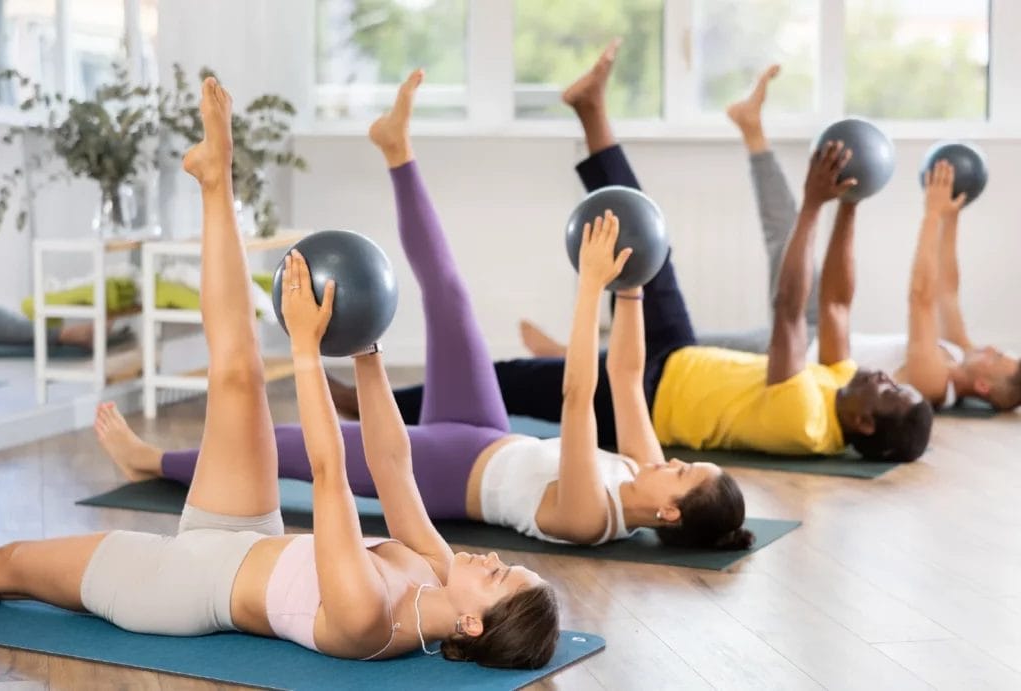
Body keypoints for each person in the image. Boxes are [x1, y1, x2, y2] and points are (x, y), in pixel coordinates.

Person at [0, 76, 559, 669]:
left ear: (471, 624)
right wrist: (367, 352)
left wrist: (305, 351)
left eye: (500, 577)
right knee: (238, 373)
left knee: (10, 564)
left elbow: (328, 475)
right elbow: (394, 466)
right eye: (506, 564)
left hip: (180, 585)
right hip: (248, 532)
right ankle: (216, 177)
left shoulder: (368, 619)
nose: (491, 562)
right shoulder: (434, 568)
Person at [95, 71, 753, 552]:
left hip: (445, 472)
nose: (673, 461)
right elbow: (626, 379)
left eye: (685, 473)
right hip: (488, 431)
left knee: (285, 447)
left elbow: (580, 396)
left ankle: (150, 461)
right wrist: (633, 285)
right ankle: (396, 150)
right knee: (451, 296)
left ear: (667, 513)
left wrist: (590, 286)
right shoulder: (642, 470)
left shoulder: (590, 517)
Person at [363, 42, 933, 462]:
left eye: (888, 391)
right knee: (649, 236)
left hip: (642, 395)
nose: (883, 375)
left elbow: (790, 309)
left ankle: (367, 406)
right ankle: (592, 111)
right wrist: (851, 207)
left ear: (861, 423)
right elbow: (834, 306)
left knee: (511, 380)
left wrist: (813, 205)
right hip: (676, 352)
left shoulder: (806, 421)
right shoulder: (841, 384)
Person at [524, 63, 1021, 412]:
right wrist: (951, 216)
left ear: (983, 382)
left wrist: (930, 216)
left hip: (793, 360)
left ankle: (570, 356)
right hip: (819, 328)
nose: (996, 348)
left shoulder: (934, 381)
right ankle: (752, 129)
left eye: (1001, 358)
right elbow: (948, 290)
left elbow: (921, 297)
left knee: (675, 350)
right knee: (785, 231)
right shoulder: (959, 350)